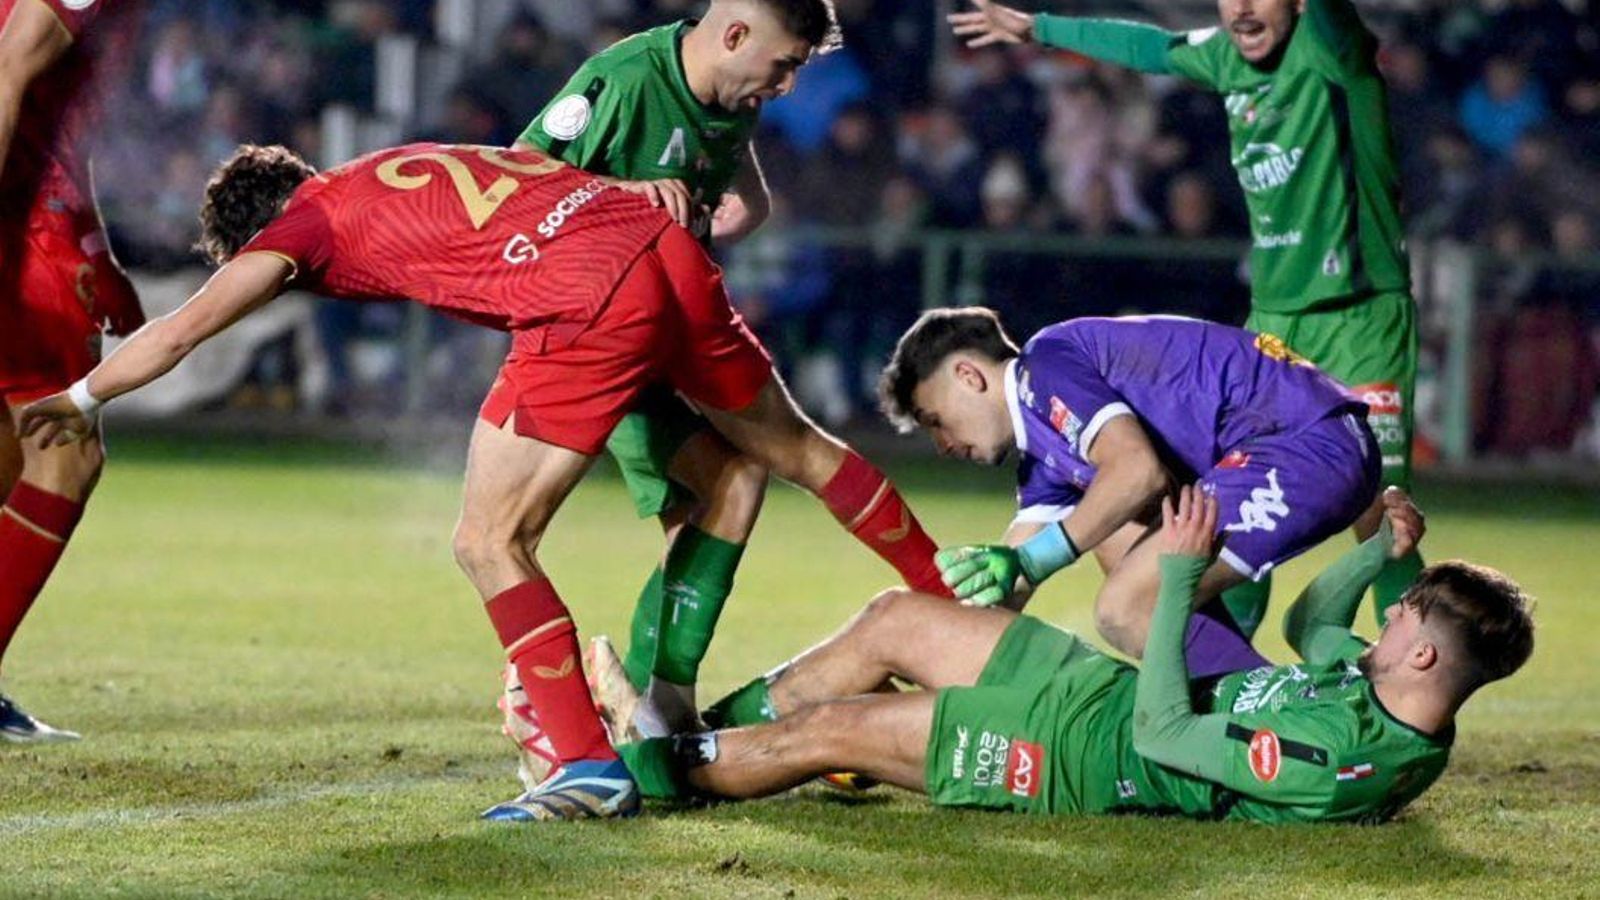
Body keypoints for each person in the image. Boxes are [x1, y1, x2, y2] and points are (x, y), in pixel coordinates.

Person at [18, 141, 947, 822]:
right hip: (653, 244)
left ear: (265, 228)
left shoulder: (301, 225)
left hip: (582, 292)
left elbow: (186, 329)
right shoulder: (398, 162)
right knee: (791, 455)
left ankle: (584, 764)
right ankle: (956, 614)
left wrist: (85, 394)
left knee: (488, 539)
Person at [617, 487, 1535, 825]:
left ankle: (641, 768)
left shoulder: (1345, 759)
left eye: (1404, 611)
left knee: (833, 731)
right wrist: (1380, 554)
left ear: (1424, 658)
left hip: (1085, 758)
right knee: (896, 616)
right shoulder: (1376, 683)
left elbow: (1171, 735)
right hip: (1099, 695)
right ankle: (691, 736)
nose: (1389, 618)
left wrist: (1176, 576)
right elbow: (1308, 627)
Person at [950, 0, 1424, 633]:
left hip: (1363, 319)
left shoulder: (1330, 53)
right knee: (1230, 508)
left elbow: (1334, 22)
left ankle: (1418, 679)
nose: (1243, 8)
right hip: (1275, 325)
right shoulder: (1225, 58)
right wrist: (1039, 28)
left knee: (1383, 520)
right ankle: (1223, 674)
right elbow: (1147, 49)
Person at [502, 0, 885, 757]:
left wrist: (699, 228)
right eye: (782, 66)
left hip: (666, 334)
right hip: (595, 340)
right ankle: (601, 714)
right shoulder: (622, 78)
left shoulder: (727, 97)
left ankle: (639, 713)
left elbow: (751, 205)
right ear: (736, 34)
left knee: (711, 510)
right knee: (731, 485)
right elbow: (515, 183)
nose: (784, 87)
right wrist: (631, 206)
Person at [885, 308, 1379, 657]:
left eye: (935, 420)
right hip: (1291, 444)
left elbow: (1138, 472)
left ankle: (1270, 727)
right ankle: (1253, 707)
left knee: (1126, 606)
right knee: (1114, 541)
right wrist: (925, 656)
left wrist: (1034, 561)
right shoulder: (1042, 458)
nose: (942, 444)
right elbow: (1008, 588)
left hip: (1305, 439)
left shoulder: (1045, 365)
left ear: (969, 375)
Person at [0, 0, 144, 742]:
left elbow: (56, 116)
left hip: (38, 212)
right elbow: (10, 65)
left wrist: (95, 244)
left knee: (30, 451)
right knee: (60, 450)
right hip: (17, 224)